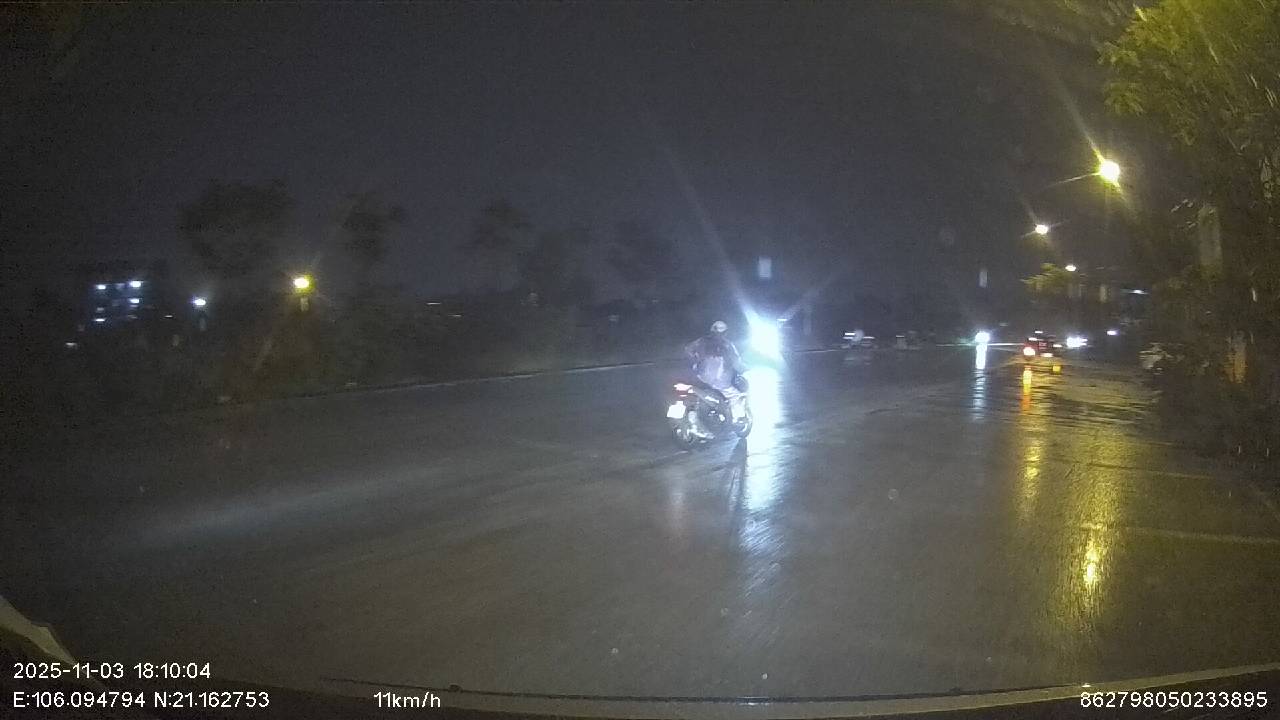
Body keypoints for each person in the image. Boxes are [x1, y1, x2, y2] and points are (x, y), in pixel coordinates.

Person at [683, 320, 747, 436]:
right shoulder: (727, 345)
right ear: (726, 332)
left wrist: (695, 361)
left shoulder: (701, 341)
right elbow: (736, 361)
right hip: (720, 380)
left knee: (697, 396)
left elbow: (687, 349)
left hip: (701, 377)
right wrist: (745, 369)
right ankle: (737, 419)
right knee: (735, 396)